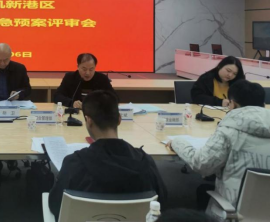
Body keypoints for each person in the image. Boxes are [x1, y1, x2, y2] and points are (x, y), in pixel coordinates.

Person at [49, 90, 167, 221]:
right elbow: (162, 202)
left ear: (88, 121)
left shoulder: (74, 163)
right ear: (119, 119)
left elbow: (55, 205)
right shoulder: (146, 162)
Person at [168, 80, 270, 219]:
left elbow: (201, 164)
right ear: (263, 104)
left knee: (202, 190)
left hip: (234, 212)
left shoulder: (229, 130)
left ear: (232, 104)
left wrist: (177, 142)